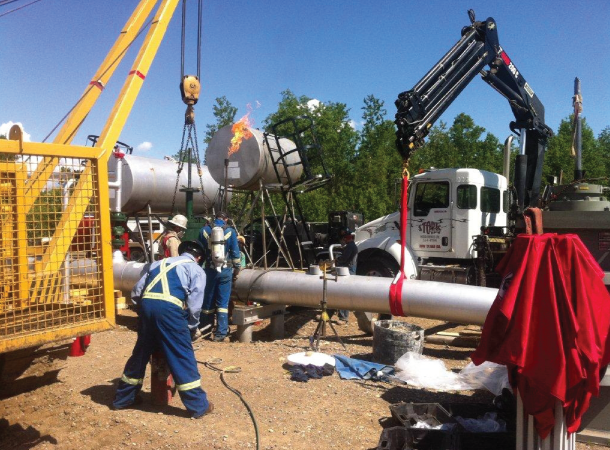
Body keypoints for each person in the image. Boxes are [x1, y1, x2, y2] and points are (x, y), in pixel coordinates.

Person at [113, 241, 213, 419]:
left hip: (146, 307)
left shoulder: (159, 263)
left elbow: (136, 291)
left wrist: (145, 312)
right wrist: (190, 327)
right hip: (169, 311)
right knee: (182, 355)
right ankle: (198, 405)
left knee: (140, 354)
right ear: (198, 258)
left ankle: (123, 398)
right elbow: (195, 305)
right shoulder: (196, 269)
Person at [198, 212, 241, 342]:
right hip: (225, 271)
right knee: (223, 303)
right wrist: (237, 269)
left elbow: (200, 251)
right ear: (226, 219)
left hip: (209, 271)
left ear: (214, 218)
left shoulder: (204, 230)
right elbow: (235, 252)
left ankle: (205, 330)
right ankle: (220, 334)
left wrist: (199, 268)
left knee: (208, 301)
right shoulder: (230, 231)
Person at [335, 227, 358, 323]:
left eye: (344, 238)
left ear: (347, 238)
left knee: (343, 294)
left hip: (347, 271)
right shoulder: (353, 246)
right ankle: (338, 315)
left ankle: (343, 317)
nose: (343, 240)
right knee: (344, 294)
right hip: (351, 271)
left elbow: (344, 259)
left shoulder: (350, 247)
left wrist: (337, 259)